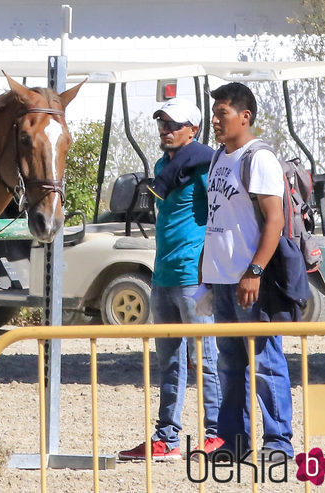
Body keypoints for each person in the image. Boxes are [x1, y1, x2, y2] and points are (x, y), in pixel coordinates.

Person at [118, 98, 222, 461]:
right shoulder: (165, 166)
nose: (166, 129)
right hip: (162, 276)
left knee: (205, 359)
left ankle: (216, 435)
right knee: (170, 363)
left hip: (194, 278)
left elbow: (219, 218)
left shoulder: (204, 168)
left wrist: (211, 272)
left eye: (174, 124)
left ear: (193, 129)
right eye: (162, 122)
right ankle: (167, 438)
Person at [199, 82, 295, 462]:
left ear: (245, 116)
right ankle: (234, 442)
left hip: (250, 281)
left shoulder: (259, 158)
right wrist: (207, 272)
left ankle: (278, 444)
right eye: (215, 114)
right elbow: (215, 217)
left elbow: (275, 220)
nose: (216, 122)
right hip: (221, 279)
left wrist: (254, 270)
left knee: (266, 362)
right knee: (229, 365)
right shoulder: (217, 158)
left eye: (222, 114)